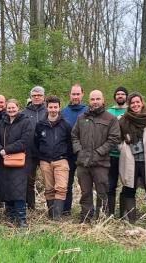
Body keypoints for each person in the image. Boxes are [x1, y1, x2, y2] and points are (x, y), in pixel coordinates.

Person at [71, 90, 121, 223]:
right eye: (92, 99)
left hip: (101, 163)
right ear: (89, 100)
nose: (95, 101)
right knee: (85, 192)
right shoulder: (82, 118)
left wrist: (99, 151)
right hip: (83, 163)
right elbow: (74, 136)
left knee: (102, 192)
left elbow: (114, 138)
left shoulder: (110, 118)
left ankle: (102, 218)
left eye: (98, 99)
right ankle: (86, 217)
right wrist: (79, 151)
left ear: (103, 100)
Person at [117, 92, 146, 229]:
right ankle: (131, 221)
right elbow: (116, 139)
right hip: (130, 160)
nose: (135, 105)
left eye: (137, 102)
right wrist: (123, 148)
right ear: (129, 105)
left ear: (142, 102)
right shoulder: (123, 120)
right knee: (129, 189)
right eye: (132, 103)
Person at [0, 99, 35, 228]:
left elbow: (25, 141)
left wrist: (7, 149)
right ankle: (11, 216)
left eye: (13, 108)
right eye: (9, 108)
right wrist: (0, 149)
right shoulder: (2, 123)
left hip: (19, 161)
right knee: (7, 188)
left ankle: (21, 218)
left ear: (18, 107)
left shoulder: (25, 122)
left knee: (18, 189)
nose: (11, 110)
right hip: (3, 160)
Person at [35, 96, 73, 221]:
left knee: (61, 188)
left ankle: (57, 217)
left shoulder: (66, 125)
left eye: (55, 107)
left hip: (61, 160)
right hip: (45, 161)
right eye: (50, 107)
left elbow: (70, 143)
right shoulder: (40, 125)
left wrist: (66, 156)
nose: (53, 109)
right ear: (47, 107)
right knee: (49, 188)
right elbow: (36, 142)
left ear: (59, 107)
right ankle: (51, 215)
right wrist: (41, 156)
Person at [59, 84, 88, 216]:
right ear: (69, 95)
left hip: (83, 152)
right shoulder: (63, 112)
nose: (75, 97)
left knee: (85, 183)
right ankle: (66, 210)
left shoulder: (88, 111)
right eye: (73, 94)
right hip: (67, 153)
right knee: (67, 182)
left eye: (78, 94)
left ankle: (86, 211)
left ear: (82, 94)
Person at [23, 86, 48, 210]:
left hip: (46, 152)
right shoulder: (24, 113)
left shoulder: (48, 111)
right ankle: (31, 207)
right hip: (30, 152)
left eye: (39, 95)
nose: (37, 97)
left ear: (43, 97)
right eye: (34, 95)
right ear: (31, 97)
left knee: (49, 181)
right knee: (29, 181)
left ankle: (52, 208)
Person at [106, 86, 129, 217]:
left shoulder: (131, 111)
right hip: (111, 155)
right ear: (115, 96)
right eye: (118, 94)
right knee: (110, 184)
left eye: (123, 94)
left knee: (126, 184)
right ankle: (109, 212)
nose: (120, 96)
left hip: (127, 155)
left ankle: (124, 213)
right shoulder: (109, 112)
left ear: (126, 96)